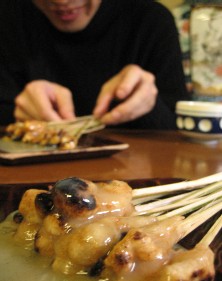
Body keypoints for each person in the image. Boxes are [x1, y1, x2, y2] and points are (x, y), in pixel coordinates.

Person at [0, 0, 189, 129]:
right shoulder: (7, 17)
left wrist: (150, 105)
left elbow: (180, 131)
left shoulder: (151, 20)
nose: (62, 2)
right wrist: (16, 115)